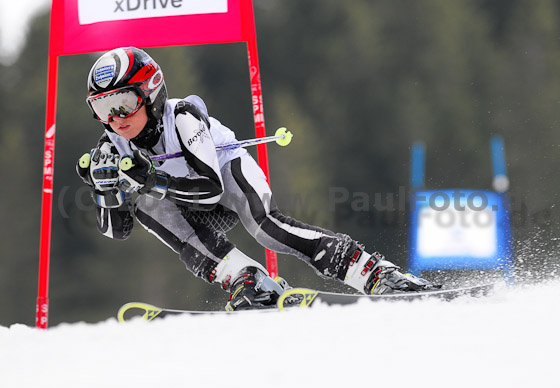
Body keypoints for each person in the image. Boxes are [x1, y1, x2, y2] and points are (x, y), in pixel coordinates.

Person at [76, 47, 438, 311]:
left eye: (122, 102)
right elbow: (116, 231)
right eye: (102, 109)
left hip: (224, 174)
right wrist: (105, 190)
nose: (115, 118)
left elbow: (209, 190)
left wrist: (150, 179)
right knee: (148, 208)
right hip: (184, 201)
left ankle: (372, 271)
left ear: (150, 93)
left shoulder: (182, 116)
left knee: (266, 227)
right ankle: (247, 279)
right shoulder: (112, 143)